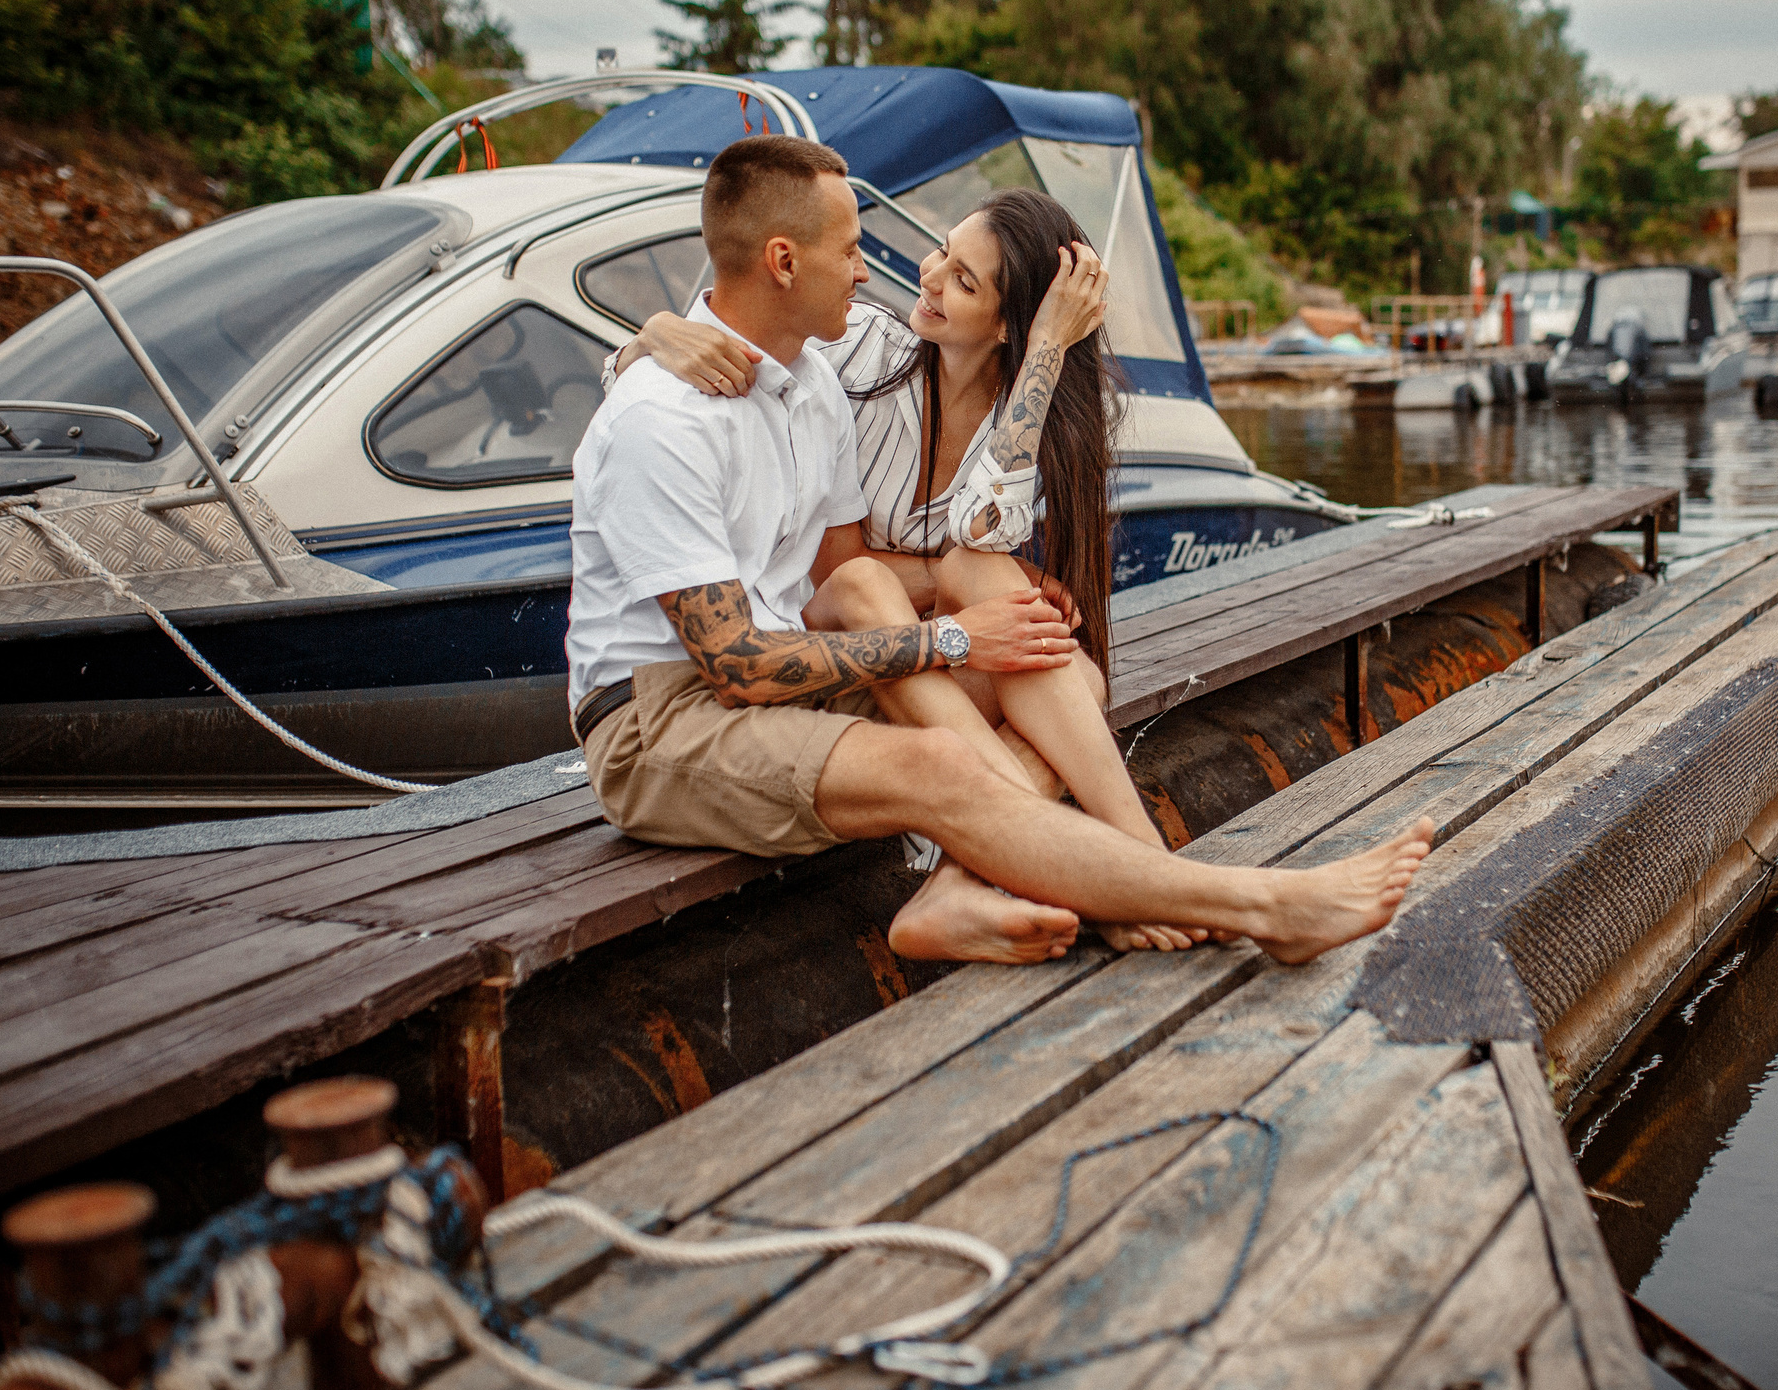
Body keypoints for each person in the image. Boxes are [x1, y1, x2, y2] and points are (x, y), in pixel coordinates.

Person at [566, 133, 1429, 966]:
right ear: (786, 262)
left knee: (1061, 675)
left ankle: (978, 885)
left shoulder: (813, 386)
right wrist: (952, 636)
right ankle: (1250, 903)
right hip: (659, 718)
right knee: (937, 751)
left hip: (800, 664)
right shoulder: (668, 417)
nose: (873, 271)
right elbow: (738, 665)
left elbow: (857, 570)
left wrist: (967, 611)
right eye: (854, 249)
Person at [615, 184, 1200, 950]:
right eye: (942, 253)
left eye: (963, 280)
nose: (929, 276)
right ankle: (1127, 868)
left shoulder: (1033, 418)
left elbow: (981, 529)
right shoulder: (859, 344)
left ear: (1009, 326)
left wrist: (1046, 351)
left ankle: (973, 881)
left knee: (1063, 661)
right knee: (908, 579)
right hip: (832, 643)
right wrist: (653, 334)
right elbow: (836, 565)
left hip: (927, 672)